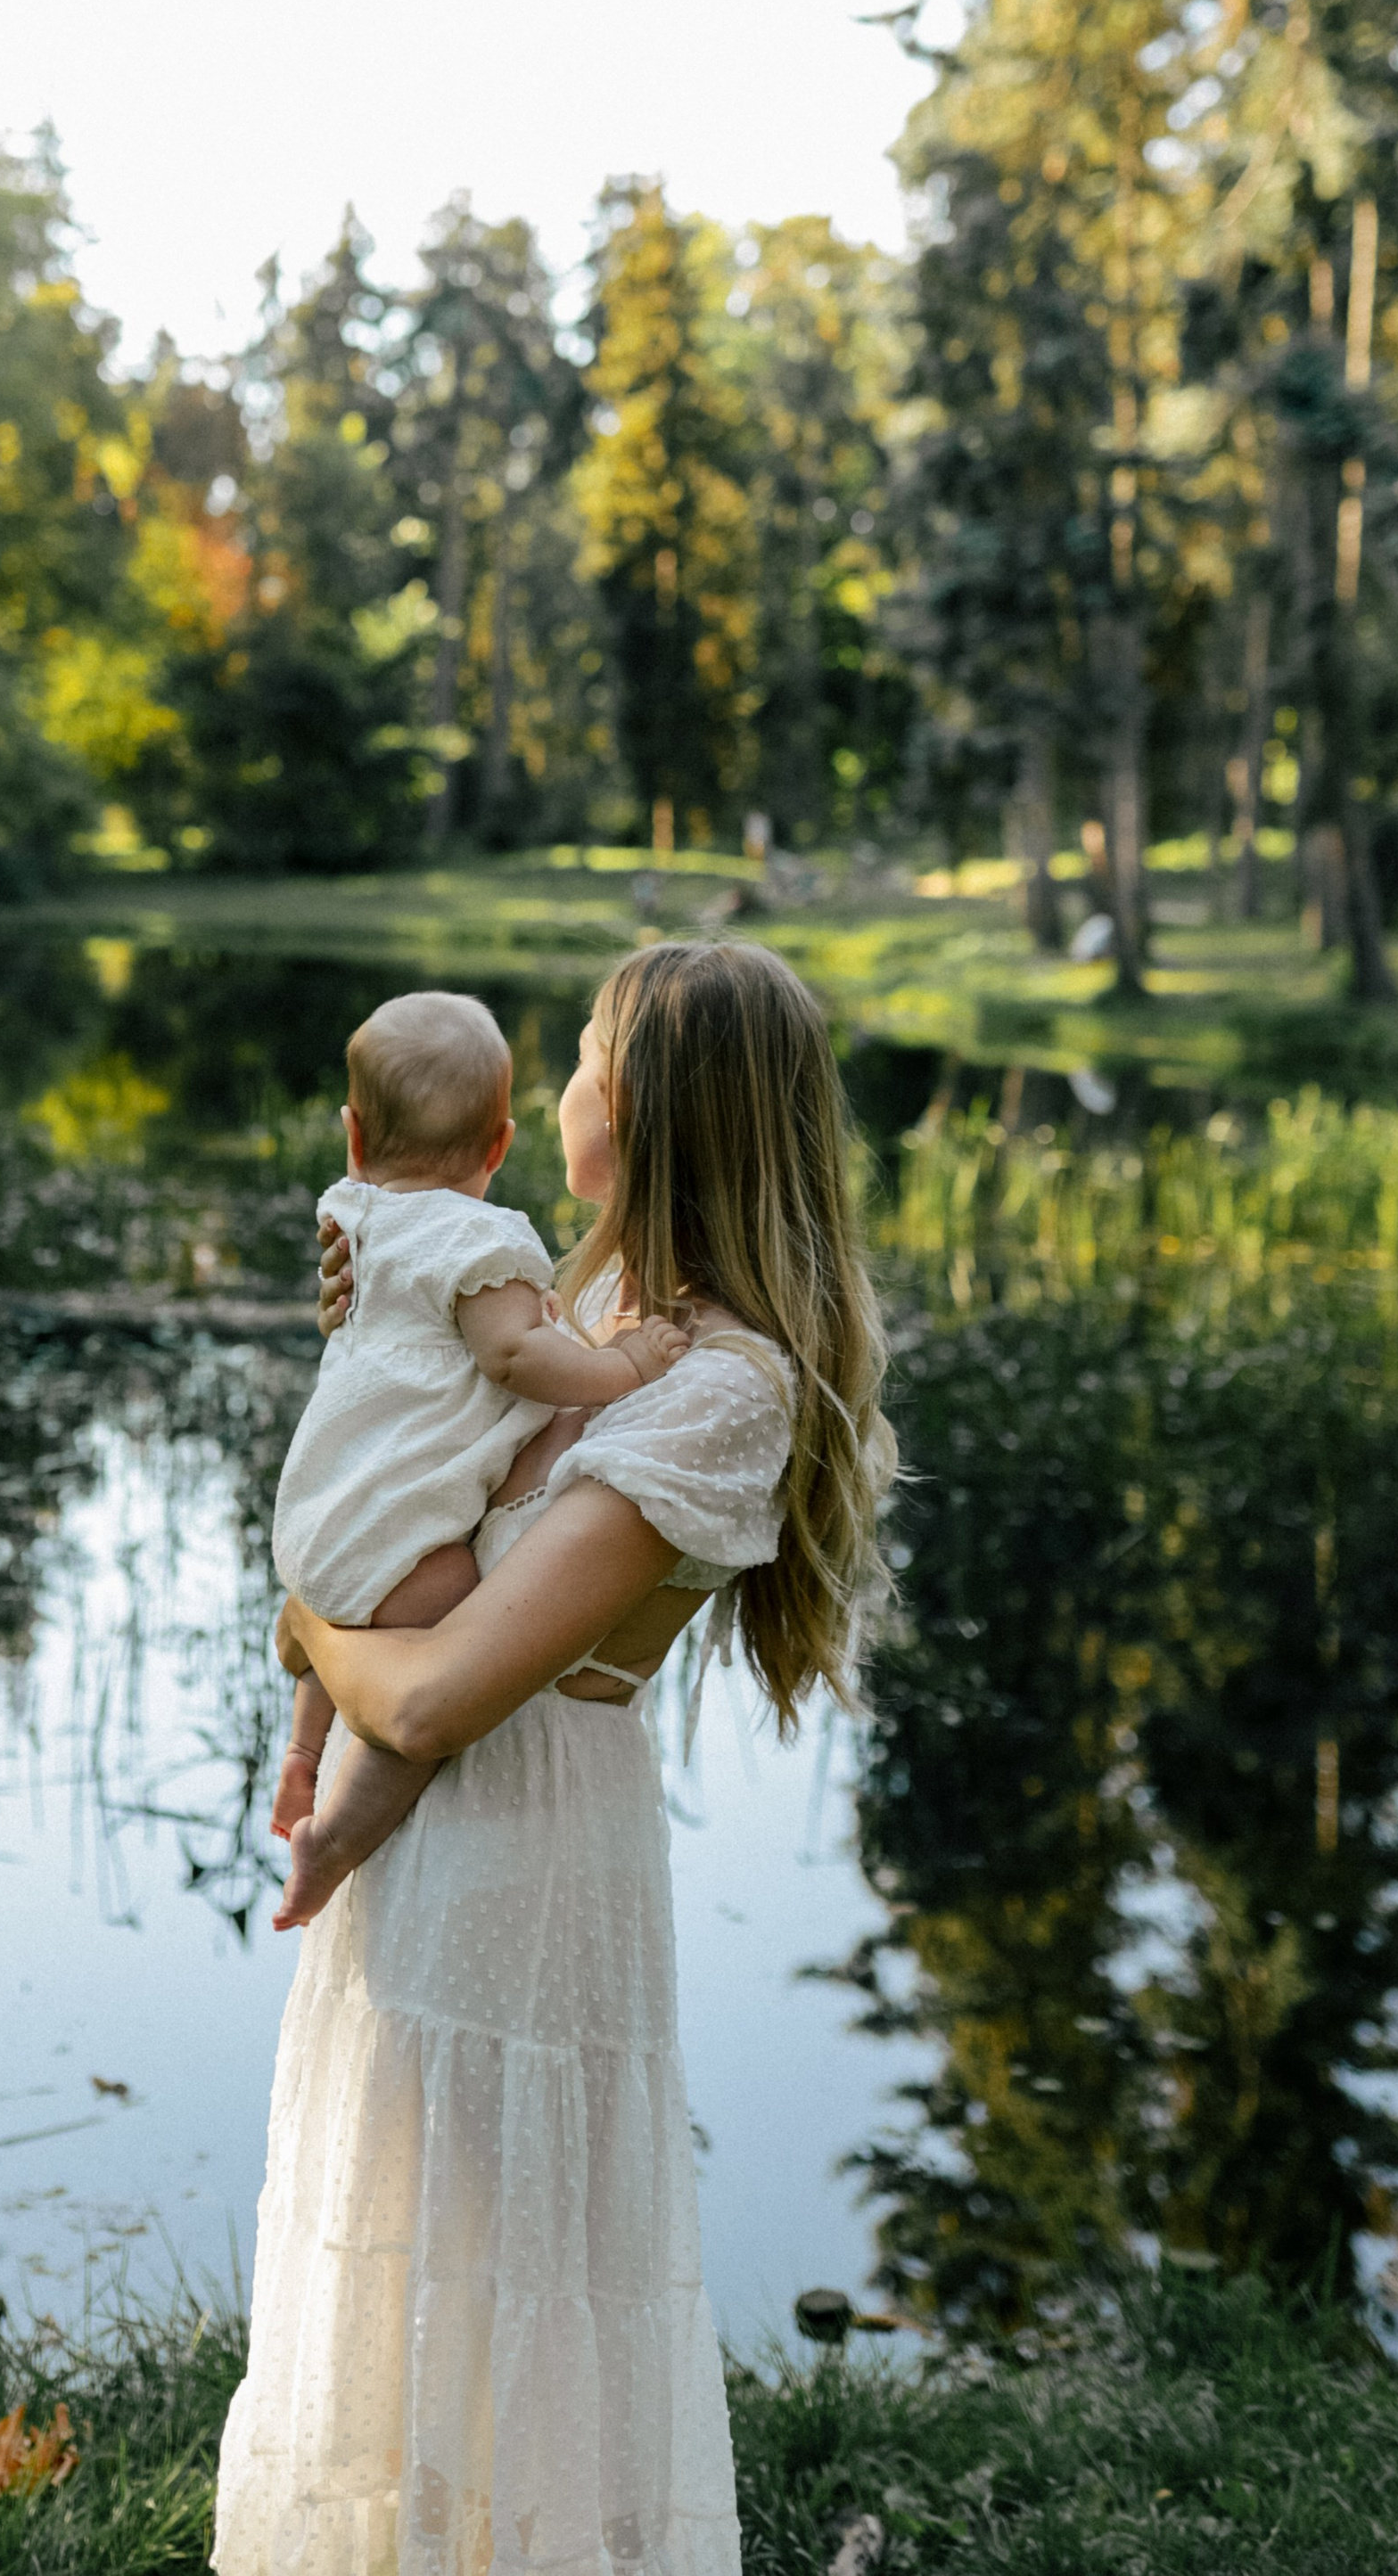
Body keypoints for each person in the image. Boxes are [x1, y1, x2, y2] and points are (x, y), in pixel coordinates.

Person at [212, 937, 894, 2576]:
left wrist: (310, 1629)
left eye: (586, 1060)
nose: (562, 1085)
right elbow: (405, 1472)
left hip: (526, 1856)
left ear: (648, 1113)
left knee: (508, 2278)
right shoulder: (579, 1308)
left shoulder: (725, 1388)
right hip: (433, 1850)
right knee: (401, 2255)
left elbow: (440, 1699)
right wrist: (378, 1318)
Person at [269, 988, 691, 1932]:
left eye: (582, 1060)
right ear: (497, 1145)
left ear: (350, 1136)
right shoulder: (491, 1239)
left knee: (343, 1613)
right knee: (432, 1637)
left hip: (318, 1510)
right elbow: (512, 1355)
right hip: (398, 1527)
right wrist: (621, 1365)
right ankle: (334, 1838)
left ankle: (301, 1757)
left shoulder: (355, 1210)